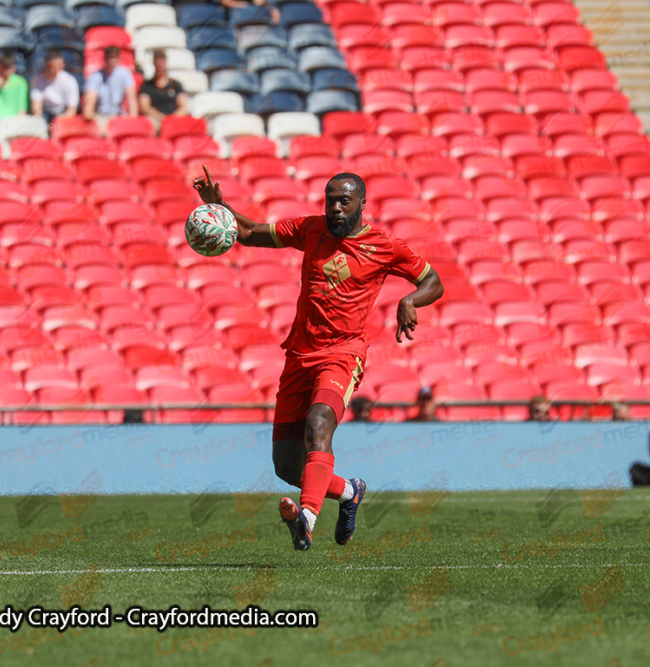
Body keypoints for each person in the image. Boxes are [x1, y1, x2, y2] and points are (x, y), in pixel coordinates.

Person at [193, 166, 443, 552]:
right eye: (331, 202)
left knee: (319, 425)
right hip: (298, 355)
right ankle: (349, 492)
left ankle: (305, 521)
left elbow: (433, 282)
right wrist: (219, 207)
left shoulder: (385, 246)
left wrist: (409, 300)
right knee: (287, 467)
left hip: (343, 353)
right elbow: (249, 233)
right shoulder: (311, 229)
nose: (336, 209)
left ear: (362, 203)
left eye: (344, 201)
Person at [83, 46, 138, 134]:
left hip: (118, 115)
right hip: (100, 115)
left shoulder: (125, 74)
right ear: (105, 59)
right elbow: (88, 109)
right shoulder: (95, 77)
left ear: (119, 59)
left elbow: (132, 99)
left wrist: (132, 120)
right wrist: (95, 119)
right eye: (109, 57)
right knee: (104, 131)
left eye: (114, 57)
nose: (112, 60)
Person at [139, 49, 188, 129]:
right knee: (152, 124)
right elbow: (145, 107)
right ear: (154, 63)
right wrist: (162, 118)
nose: (161, 65)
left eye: (162, 62)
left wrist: (172, 118)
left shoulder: (176, 84)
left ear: (166, 62)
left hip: (174, 119)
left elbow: (183, 107)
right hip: (157, 120)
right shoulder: (146, 86)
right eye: (158, 62)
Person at [31, 49, 80, 124]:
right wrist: (40, 121)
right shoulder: (38, 79)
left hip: (62, 114)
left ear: (62, 65)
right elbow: (36, 107)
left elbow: (71, 110)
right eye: (50, 66)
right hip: (44, 114)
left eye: (56, 66)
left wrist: (56, 122)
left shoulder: (70, 81)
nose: (52, 69)